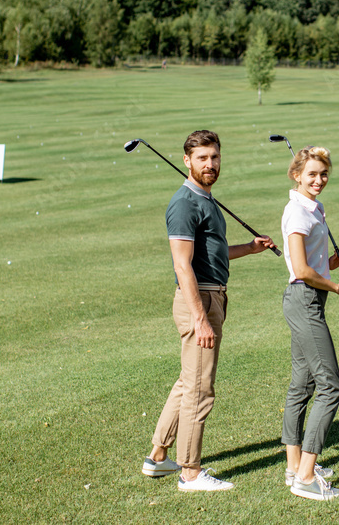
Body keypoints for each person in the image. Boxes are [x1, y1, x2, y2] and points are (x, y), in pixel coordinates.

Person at [141, 130, 276, 492]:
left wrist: (249, 248)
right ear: (187, 160)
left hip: (211, 294)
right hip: (198, 299)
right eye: (202, 158)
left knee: (188, 382)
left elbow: (211, 254)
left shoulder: (206, 200)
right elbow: (183, 265)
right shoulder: (185, 204)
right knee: (201, 388)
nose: (210, 164)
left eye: (214, 157)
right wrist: (201, 318)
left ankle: (158, 457)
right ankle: (190, 472)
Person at [280, 146, 339, 501]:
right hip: (305, 301)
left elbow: (310, 263)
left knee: (303, 384)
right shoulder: (298, 212)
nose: (318, 180)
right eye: (311, 174)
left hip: (305, 299)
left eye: (324, 174)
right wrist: (337, 286)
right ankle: (306, 477)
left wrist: (328, 261)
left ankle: (294, 465)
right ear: (296, 174)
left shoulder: (313, 208)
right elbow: (300, 271)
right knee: (331, 387)